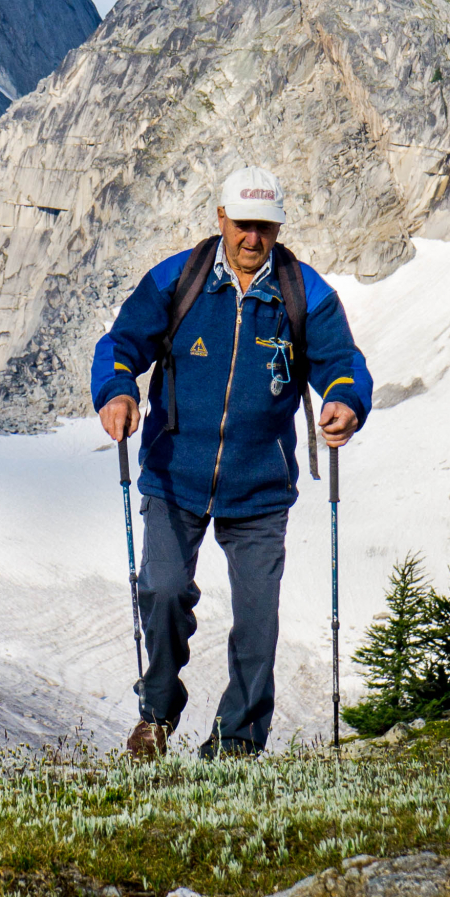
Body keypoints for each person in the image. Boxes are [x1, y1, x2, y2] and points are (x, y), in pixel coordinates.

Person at [91, 165, 372, 758]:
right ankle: (157, 716)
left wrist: (346, 401)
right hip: (174, 474)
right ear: (221, 219)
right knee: (162, 590)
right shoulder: (180, 279)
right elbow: (121, 344)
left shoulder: (302, 292)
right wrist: (117, 389)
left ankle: (238, 741)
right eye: (244, 225)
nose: (253, 239)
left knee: (258, 623)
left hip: (260, 486)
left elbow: (342, 361)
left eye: (266, 228)